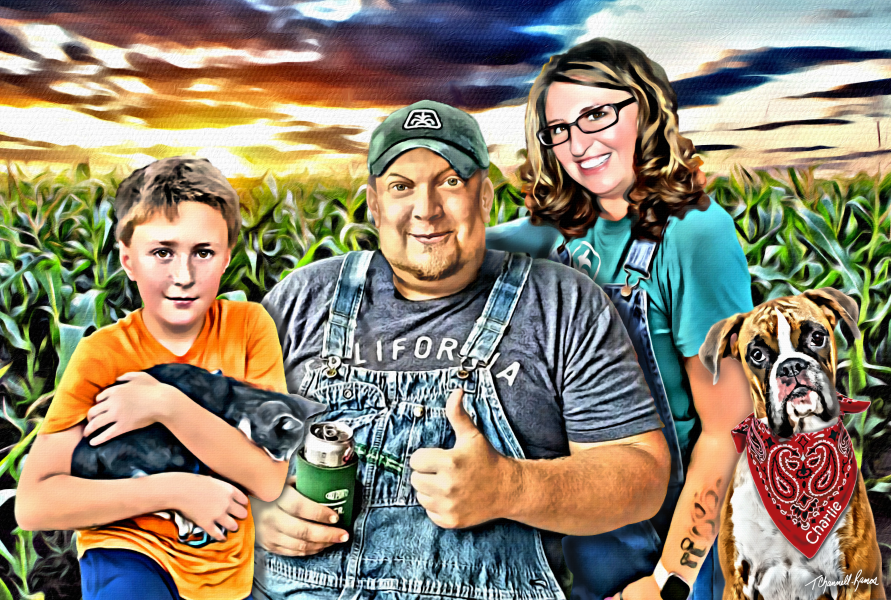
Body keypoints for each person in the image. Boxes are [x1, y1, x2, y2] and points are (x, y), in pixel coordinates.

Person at [251, 99, 670, 600]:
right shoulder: (300, 299)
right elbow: (218, 448)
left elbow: (641, 475)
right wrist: (258, 511)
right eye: (401, 186)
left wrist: (512, 488)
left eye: (450, 182)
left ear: (486, 196)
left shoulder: (563, 302)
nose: (426, 210)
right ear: (373, 203)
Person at [486, 39, 754, 600]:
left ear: (647, 108)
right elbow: (456, 252)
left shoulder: (695, 234)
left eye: (596, 115)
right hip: (581, 523)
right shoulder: (557, 233)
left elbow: (730, 430)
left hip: (668, 538)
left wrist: (668, 581)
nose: (578, 144)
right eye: (557, 129)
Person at [16, 157, 290, 600]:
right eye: (162, 252)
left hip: (220, 573)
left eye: (203, 252)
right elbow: (34, 503)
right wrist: (173, 490)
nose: (183, 276)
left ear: (227, 258)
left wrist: (168, 405)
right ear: (128, 260)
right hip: (125, 553)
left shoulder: (249, 328)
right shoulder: (103, 354)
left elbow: (267, 477)